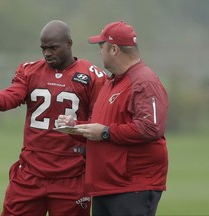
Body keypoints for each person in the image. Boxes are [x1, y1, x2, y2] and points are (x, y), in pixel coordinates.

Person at [0, 20, 107, 216]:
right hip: (30, 173)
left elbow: (98, 120)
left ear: (69, 44)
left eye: (53, 47)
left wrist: (77, 129)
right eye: (43, 48)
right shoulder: (30, 71)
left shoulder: (92, 76)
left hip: (71, 173)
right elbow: (14, 95)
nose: (47, 53)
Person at [56, 21, 169, 216]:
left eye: (101, 46)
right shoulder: (111, 82)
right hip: (106, 186)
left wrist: (106, 133)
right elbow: (103, 127)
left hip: (132, 186)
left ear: (114, 49)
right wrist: (76, 127)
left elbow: (150, 128)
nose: (100, 52)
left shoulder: (144, 81)